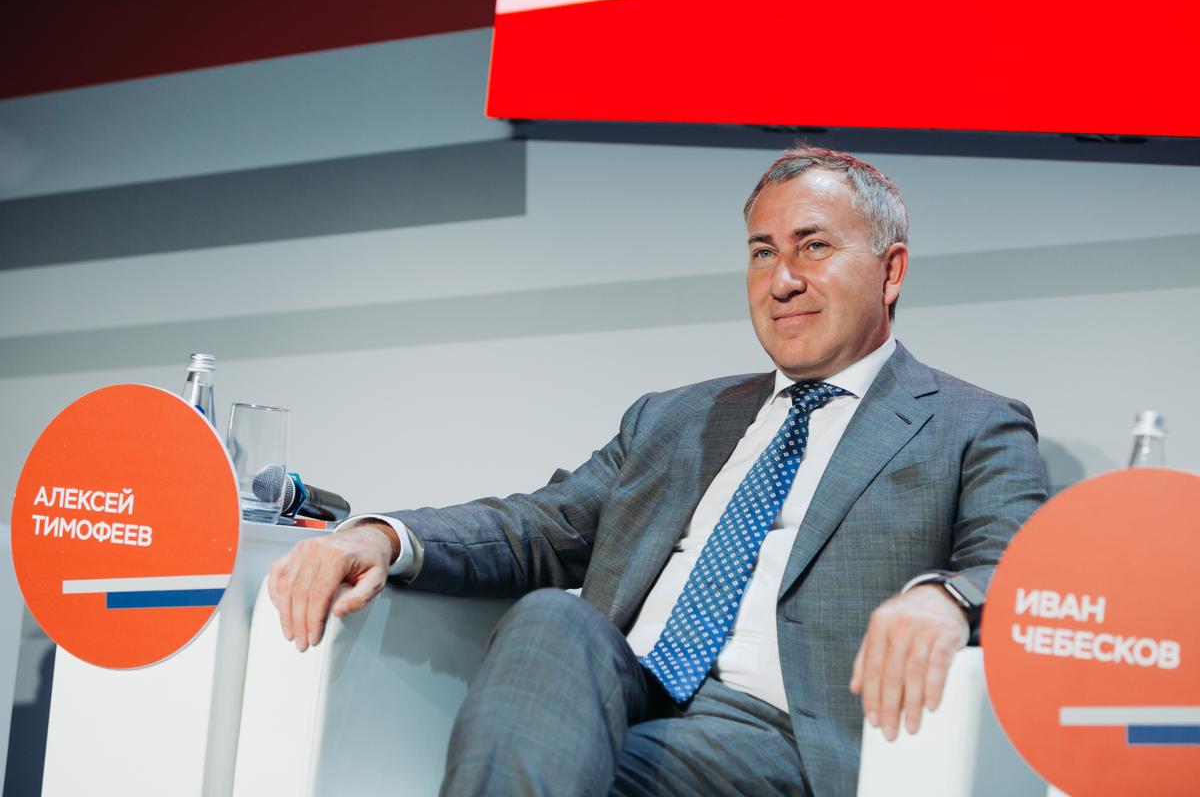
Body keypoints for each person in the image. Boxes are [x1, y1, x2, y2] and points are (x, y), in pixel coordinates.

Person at [267, 146, 1047, 797]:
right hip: (615, 690)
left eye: (813, 247)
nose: (782, 280)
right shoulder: (674, 417)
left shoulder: (969, 423)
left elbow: (1017, 565)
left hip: (777, 734)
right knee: (553, 617)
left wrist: (944, 598)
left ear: (891, 270)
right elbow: (538, 526)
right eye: (762, 253)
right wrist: (379, 537)